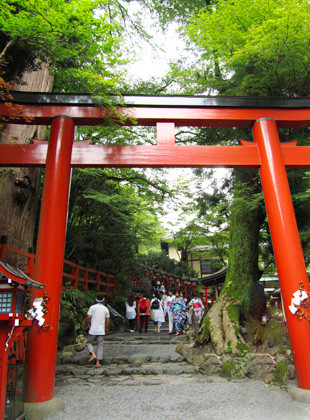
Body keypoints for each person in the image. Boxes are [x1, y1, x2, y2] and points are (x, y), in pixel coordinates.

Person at [84, 294, 110, 368]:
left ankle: (93, 354)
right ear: (103, 300)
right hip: (101, 330)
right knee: (100, 345)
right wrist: (107, 328)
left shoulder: (92, 307)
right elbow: (107, 320)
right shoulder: (105, 309)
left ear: (96, 300)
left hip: (93, 329)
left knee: (88, 342)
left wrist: (86, 324)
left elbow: (88, 317)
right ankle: (98, 362)